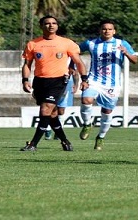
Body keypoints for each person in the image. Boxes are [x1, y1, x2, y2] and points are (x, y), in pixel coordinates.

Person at [20, 15, 88, 152]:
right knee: (52, 114)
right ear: (41, 26)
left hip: (58, 81)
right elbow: (27, 64)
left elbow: (79, 62)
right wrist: (25, 80)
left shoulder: (67, 43)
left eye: (54, 23)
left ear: (57, 26)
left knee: (45, 109)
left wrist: (84, 79)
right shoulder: (33, 44)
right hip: (39, 81)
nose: (51, 25)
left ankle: (33, 144)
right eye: (47, 23)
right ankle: (65, 141)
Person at [77, 20, 138, 150]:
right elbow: (75, 53)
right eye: (104, 29)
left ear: (114, 31)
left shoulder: (122, 43)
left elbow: (135, 60)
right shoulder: (91, 43)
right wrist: (72, 66)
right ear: (100, 30)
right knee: (86, 99)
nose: (107, 31)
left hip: (112, 84)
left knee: (107, 111)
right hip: (93, 80)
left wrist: (125, 52)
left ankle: (101, 137)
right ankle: (87, 124)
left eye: (110, 29)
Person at [44, 60, 80, 141]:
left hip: (65, 84)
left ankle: (58, 132)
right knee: (50, 107)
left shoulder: (71, 56)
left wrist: (76, 84)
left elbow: (75, 71)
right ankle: (48, 129)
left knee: (61, 110)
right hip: (51, 82)